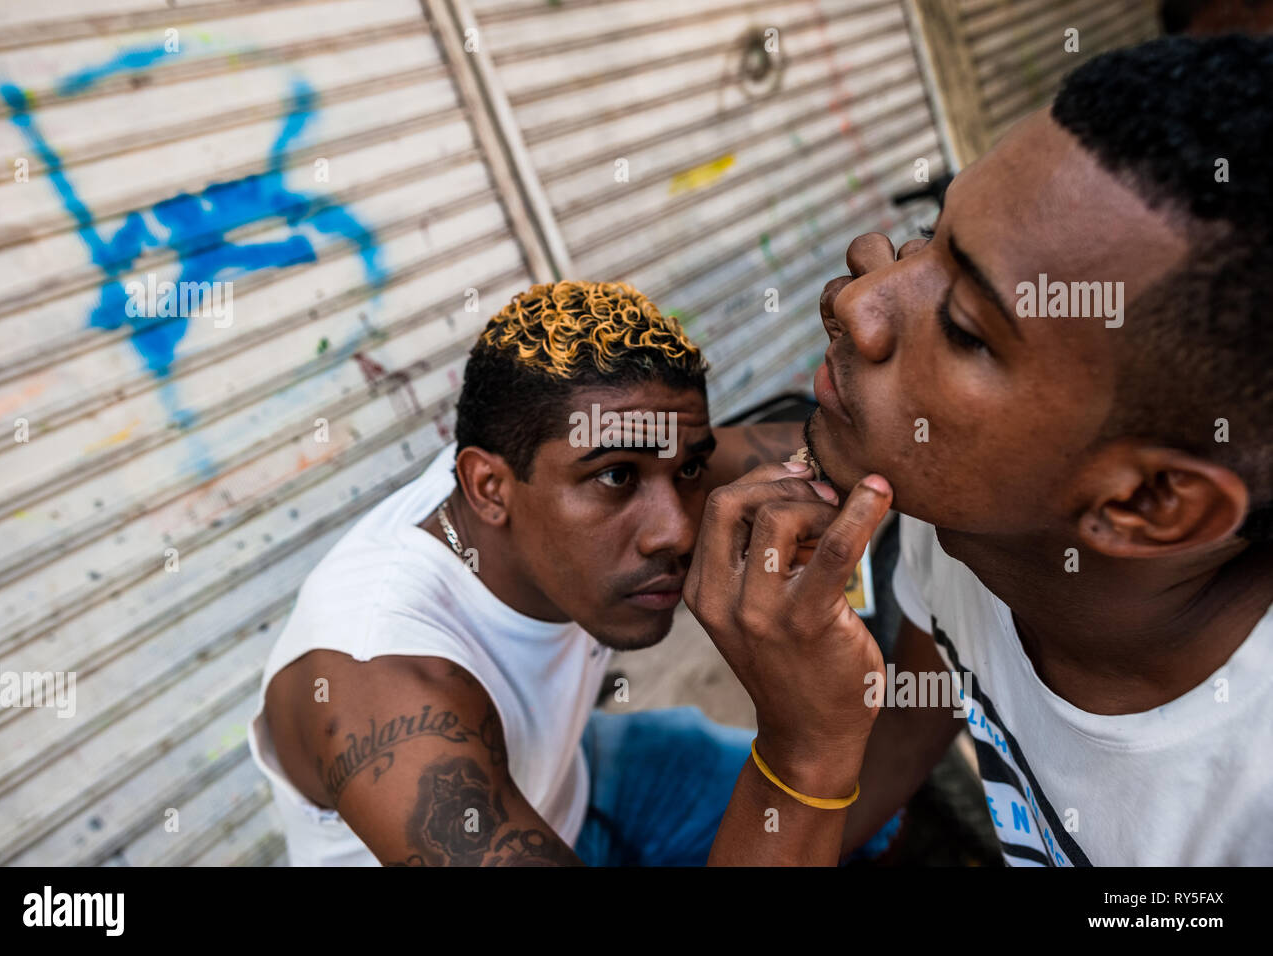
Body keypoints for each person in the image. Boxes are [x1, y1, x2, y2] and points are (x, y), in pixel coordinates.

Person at [684, 34, 1273, 866]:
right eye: (927, 236)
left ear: (1146, 503)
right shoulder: (969, 532)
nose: (858, 300)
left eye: (964, 326)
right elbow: (930, 708)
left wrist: (802, 757)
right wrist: (813, 749)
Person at [247, 279, 898, 865]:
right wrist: (805, 749)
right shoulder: (381, 682)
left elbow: (822, 453)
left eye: (689, 471)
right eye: (617, 477)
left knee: (866, 810)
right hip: (497, 812)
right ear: (487, 487)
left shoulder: (568, 450)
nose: (675, 531)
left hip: (575, 773)